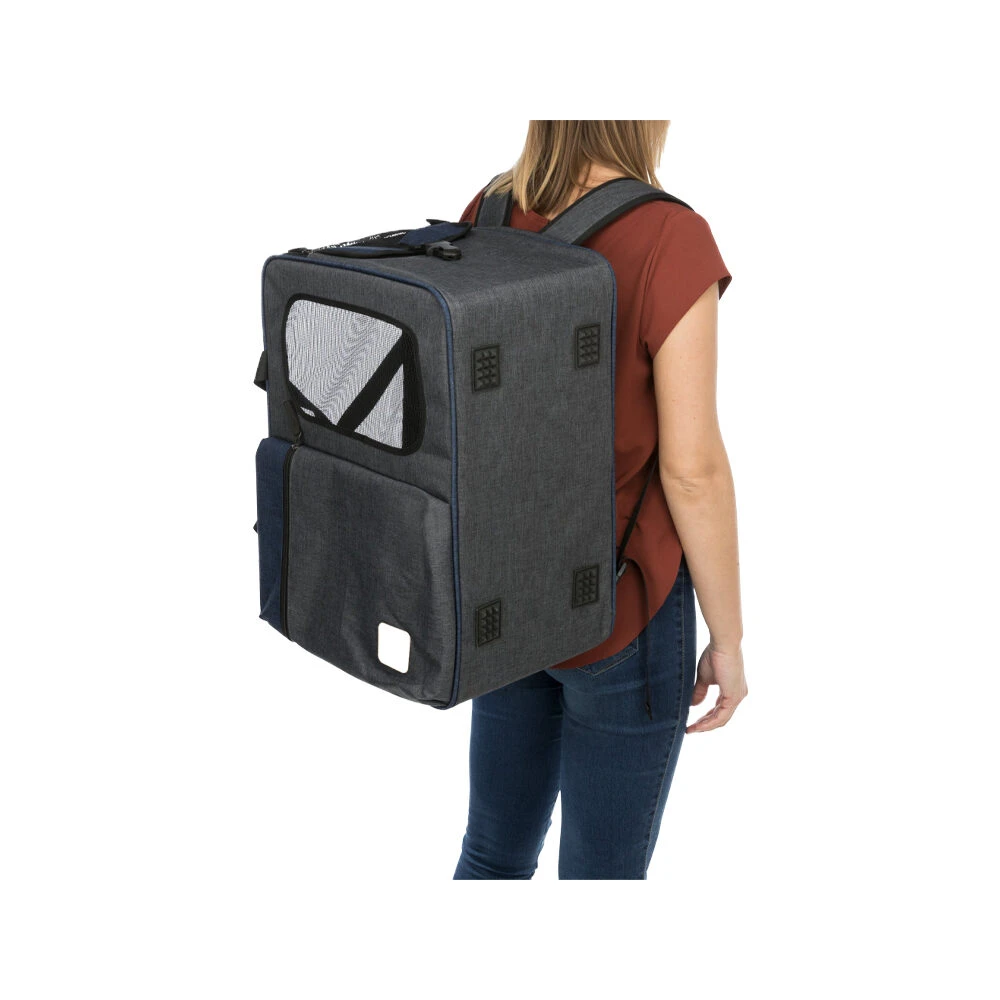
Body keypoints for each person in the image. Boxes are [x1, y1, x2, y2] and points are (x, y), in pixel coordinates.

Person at [452, 121, 747, 880]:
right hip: (625, 611)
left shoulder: (490, 210)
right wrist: (728, 639)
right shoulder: (670, 237)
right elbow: (693, 471)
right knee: (603, 883)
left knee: (491, 853)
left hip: (501, 597)